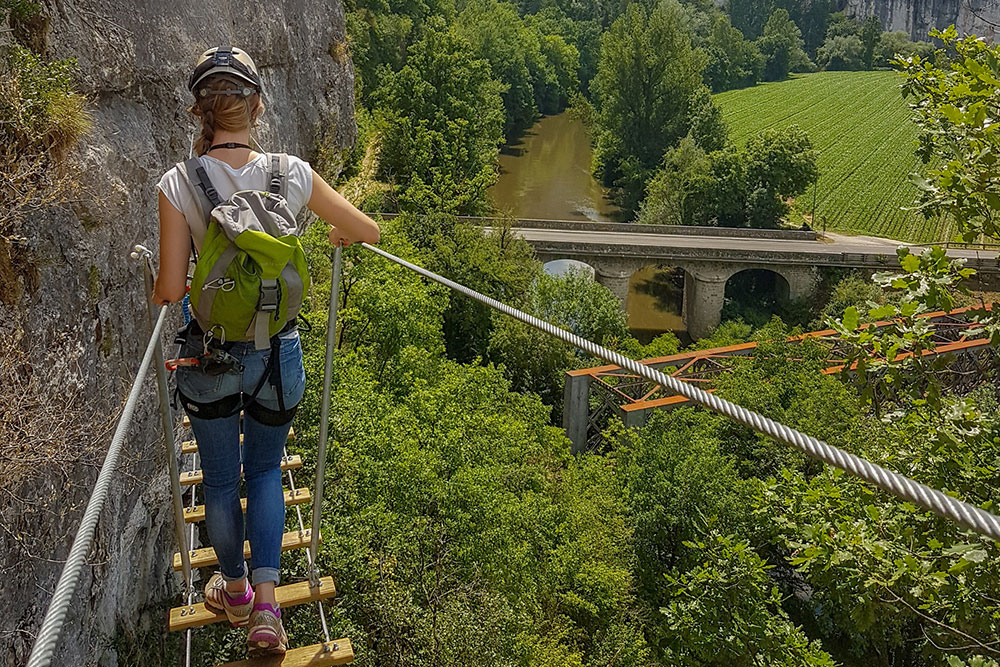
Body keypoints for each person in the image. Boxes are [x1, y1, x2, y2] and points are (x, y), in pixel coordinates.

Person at [153, 46, 379, 656]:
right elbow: (367, 232)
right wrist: (333, 231)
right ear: (257, 105)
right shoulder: (293, 173)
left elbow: (171, 290)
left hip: (210, 359)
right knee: (266, 472)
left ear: (199, 110)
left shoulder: (179, 183)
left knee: (222, 481)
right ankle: (269, 611)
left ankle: (233, 592)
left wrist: (163, 274)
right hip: (279, 354)